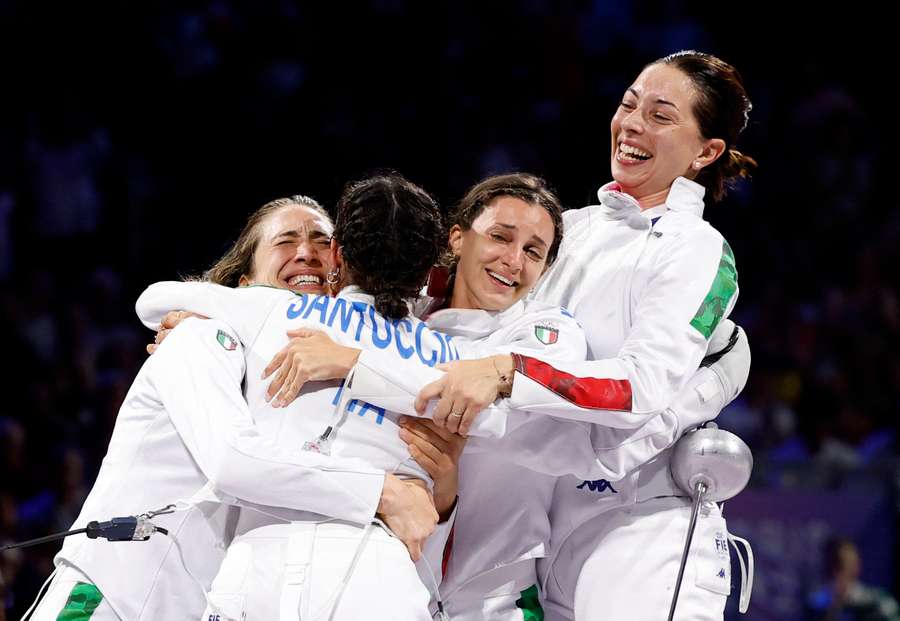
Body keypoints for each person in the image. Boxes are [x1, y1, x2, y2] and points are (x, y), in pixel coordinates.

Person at [262, 172, 750, 620]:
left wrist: (354, 366)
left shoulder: (546, 337)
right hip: (385, 579)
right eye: (500, 237)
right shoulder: (404, 322)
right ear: (457, 238)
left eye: (534, 252)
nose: (513, 261)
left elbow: (493, 422)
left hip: (495, 598)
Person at [410, 50, 757, 620]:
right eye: (629, 104)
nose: (633, 124)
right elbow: (468, 317)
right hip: (540, 530)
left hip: (642, 524)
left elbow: (638, 390)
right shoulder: (568, 229)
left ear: (706, 151)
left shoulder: (694, 250)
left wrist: (508, 375)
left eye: (662, 116)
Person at [28, 194, 435, 621]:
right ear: (244, 283)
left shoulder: (324, 383)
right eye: (286, 241)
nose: (307, 254)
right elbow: (233, 462)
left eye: (321, 242)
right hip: (116, 595)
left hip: (202, 602)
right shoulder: (203, 338)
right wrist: (384, 492)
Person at [135, 174, 461, 621]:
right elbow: (494, 417)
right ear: (428, 275)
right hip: (378, 568)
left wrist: (219, 308)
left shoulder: (273, 310)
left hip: (256, 563)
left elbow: (152, 300)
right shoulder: (452, 358)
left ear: (338, 257)